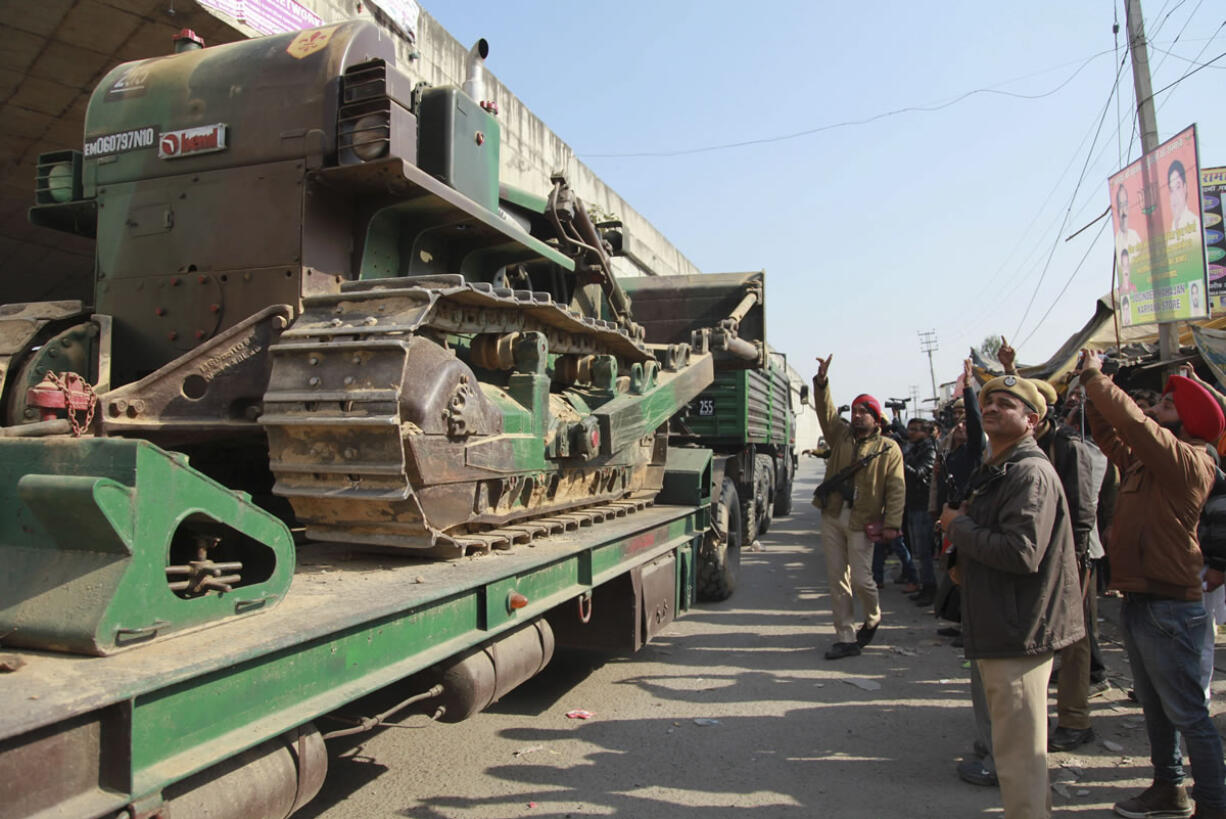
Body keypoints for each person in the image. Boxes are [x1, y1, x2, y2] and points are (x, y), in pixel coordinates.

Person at [1078, 350, 1226, 819]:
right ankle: (1169, 789)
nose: (1152, 411)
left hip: (1171, 606)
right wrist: (1093, 393)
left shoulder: (1190, 462)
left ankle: (1215, 804)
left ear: (1189, 422)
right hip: (1143, 599)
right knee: (1159, 712)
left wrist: (1096, 378)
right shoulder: (1152, 463)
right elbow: (1110, 434)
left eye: (1164, 407)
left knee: (1188, 715)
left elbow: (1135, 427)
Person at [940, 375, 1085, 819]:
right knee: (1020, 757)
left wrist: (957, 526)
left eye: (1006, 403)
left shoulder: (1029, 472)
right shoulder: (1001, 465)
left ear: (1031, 420)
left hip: (1019, 630)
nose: (993, 408)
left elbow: (1020, 552)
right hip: (1003, 623)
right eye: (989, 402)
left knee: (1019, 761)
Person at [811, 354, 905, 660]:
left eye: (865, 411)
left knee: (863, 580)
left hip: (862, 519)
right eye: (854, 410)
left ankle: (874, 615)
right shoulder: (840, 435)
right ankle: (846, 637)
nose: (858, 415)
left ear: (877, 419)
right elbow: (826, 413)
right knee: (837, 578)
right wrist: (822, 382)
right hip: (833, 514)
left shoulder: (888, 448)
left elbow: (895, 487)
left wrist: (892, 522)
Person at [902, 415, 937, 597]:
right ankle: (922, 584)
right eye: (910, 429)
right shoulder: (912, 448)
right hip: (912, 504)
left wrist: (899, 462)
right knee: (916, 550)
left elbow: (920, 474)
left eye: (916, 430)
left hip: (923, 506)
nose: (911, 433)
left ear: (926, 432)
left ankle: (929, 588)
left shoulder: (930, 450)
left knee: (923, 552)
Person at [1169, 159, 1201, 236]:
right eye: (1171, 190)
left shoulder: (1194, 223)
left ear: (1185, 187)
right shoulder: (1172, 229)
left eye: (1178, 187)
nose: (1174, 196)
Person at [1116, 183, 1143, 256]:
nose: (1124, 211)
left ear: (1128, 206)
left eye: (1125, 204)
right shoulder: (1117, 240)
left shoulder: (1135, 236)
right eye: (1121, 206)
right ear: (1117, 211)